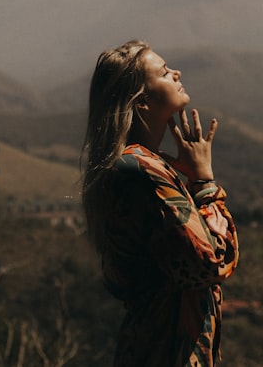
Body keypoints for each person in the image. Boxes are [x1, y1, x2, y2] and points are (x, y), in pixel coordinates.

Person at [81, 40, 239, 366]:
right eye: (165, 72)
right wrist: (205, 183)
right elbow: (210, 263)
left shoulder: (137, 167)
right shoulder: (140, 171)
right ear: (141, 103)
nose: (177, 73)